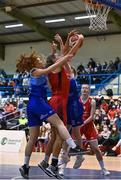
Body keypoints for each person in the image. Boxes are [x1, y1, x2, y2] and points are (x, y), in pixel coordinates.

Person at [17, 51, 84, 179]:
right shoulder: (35, 71)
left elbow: (53, 71)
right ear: (34, 63)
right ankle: (74, 147)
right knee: (59, 123)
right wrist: (64, 59)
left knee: (33, 138)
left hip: (32, 105)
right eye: (39, 59)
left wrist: (56, 54)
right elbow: (51, 67)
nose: (41, 60)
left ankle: (25, 166)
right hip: (38, 103)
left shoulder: (41, 73)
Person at [38, 32, 86, 178]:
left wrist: (60, 45)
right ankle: (53, 165)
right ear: (55, 62)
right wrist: (80, 41)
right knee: (60, 136)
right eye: (57, 57)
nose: (61, 57)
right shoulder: (56, 68)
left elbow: (65, 55)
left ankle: (45, 163)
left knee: (54, 137)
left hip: (57, 101)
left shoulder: (59, 69)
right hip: (58, 101)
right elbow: (68, 55)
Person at [73, 84, 110, 176]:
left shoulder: (92, 101)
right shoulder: (76, 100)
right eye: (83, 88)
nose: (84, 90)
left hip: (88, 125)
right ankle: (63, 166)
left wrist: (83, 122)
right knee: (71, 146)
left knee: (96, 149)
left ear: (89, 90)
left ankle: (103, 168)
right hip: (78, 125)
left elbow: (91, 116)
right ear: (81, 90)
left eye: (86, 88)